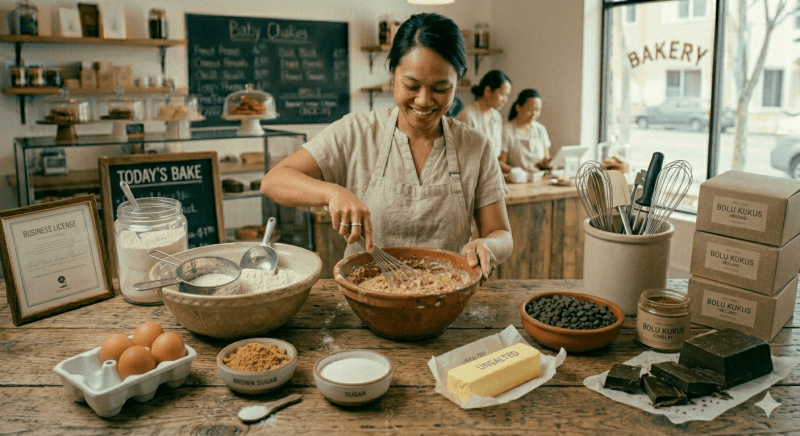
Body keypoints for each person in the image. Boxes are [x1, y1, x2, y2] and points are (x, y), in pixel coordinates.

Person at [260, 13, 512, 280]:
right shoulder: (355, 133)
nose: (424, 100)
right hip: (366, 297)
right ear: (392, 72)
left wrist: (488, 245)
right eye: (411, 85)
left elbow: (502, 234)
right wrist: (332, 193)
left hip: (447, 298)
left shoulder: (475, 146)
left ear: (458, 81)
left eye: (440, 88)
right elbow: (274, 181)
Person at [456, 70, 512, 174]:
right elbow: (462, 158)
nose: (506, 100)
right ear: (488, 91)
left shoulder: (496, 116)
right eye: (503, 94)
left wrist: (513, 171)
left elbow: (493, 158)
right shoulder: (468, 116)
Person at [500, 89, 551, 179]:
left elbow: (546, 157)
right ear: (518, 107)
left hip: (539, 179)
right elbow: (500, 163)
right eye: (530, 110)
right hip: (518, 180)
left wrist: (544, 164)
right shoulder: (507, 130)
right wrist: (519, 172)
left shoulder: (540, 129)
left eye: (537, 110)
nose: (534, 114)